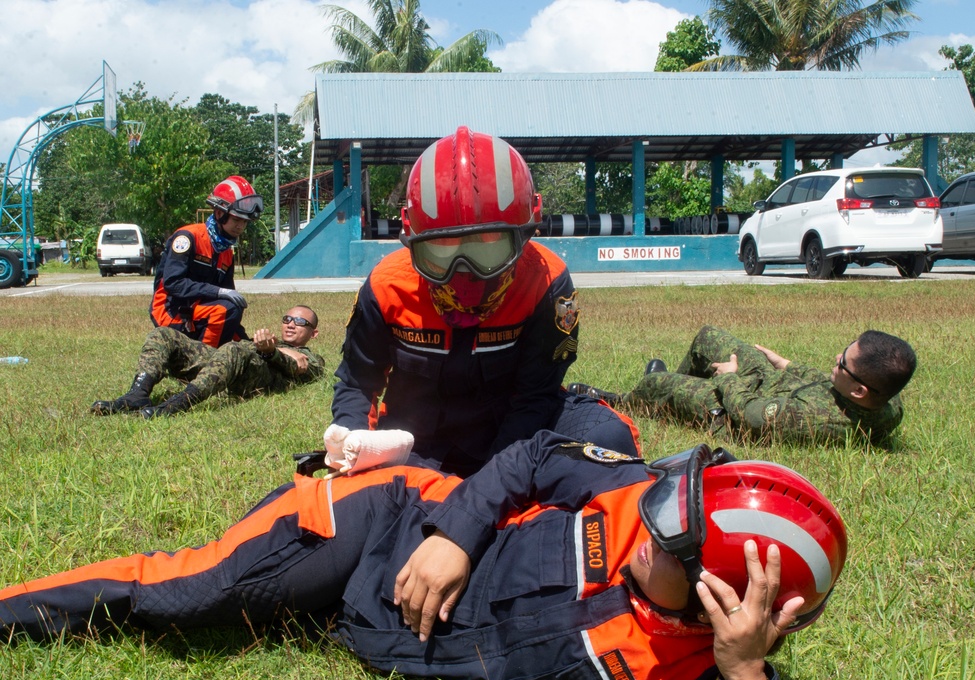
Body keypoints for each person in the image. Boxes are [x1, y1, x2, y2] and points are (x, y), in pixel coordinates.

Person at [0, 431, 846, 680]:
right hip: (387, 519)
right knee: (188, 597)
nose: (644, 528)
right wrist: (457, 533)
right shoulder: (638, 496)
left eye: (667, 543)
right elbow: (535, 454)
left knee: (254, 616)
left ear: (720, 606)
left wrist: (745, 678)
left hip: (351, 619)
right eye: (662, 504)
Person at [331, 126, 640, 476]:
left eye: (488, 247)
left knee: (608, 438)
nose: (466, 274)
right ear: (412, 240)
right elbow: (358, 383)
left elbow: (534, 399)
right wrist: (350, 440)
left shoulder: (547, 282)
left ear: (527, 233)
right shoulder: (386, 285)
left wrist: (493, 481)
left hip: (516, 433)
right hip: (418, 445)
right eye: (442, 252)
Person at [570, 326, 916, 445]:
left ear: (859, 391)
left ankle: (629, 400)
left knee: (660, 383)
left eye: (843, 363)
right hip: (772, 386)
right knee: (710, 338)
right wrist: (786, 365)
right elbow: (823, 383)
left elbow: (750, 414)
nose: (835, 360)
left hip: (737, 411)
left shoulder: (817, 419)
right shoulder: (883, 396)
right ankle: (667, 390)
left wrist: (731, 377)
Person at [90, 305, 324, 418]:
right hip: (224, 363)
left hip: (246, 374)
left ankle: (175, 405)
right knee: (164, 334)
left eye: (300, 322)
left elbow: (301, 368)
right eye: (288, 319)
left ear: (313, 333)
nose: (291, 324)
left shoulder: (313, 357)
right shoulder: (267, 340)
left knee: (233, 349)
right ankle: (137, 393)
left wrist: (272, 353)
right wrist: (264, 346)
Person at [149, 176, 263, 348]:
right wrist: (218, 291)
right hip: (170, 311)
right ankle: (203, 360)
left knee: (232, 307)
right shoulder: (188, 237)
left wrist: (248, 344)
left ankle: (210, 356)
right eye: (236, 220)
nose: (240, 227)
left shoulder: (226, 251)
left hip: (198, 311)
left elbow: (229, 305)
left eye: (245, 222)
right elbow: (173, 283)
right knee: (226, 308)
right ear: (219, 213)